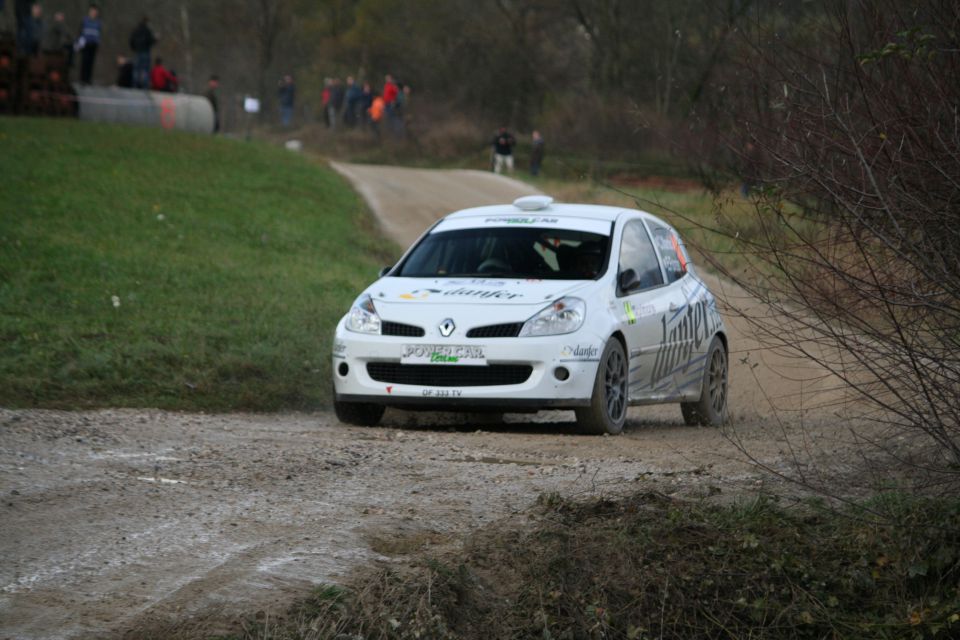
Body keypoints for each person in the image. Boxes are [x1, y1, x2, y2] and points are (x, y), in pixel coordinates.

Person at [128, 17, 156, 89]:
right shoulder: (148, 30)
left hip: (137, 52)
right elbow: (151, 41)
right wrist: (156, 40)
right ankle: (144, 85)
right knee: (145, 69)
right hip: (146, 52)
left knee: (136, 69)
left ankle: (135, 84)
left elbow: (131, 41)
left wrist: (134, 48)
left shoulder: (136, 30)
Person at [77, 4, 101, 85]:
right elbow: (81, 32)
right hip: (86, 44)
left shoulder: (98, 23)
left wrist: (98, 43)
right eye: (92, 11)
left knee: (91, 63)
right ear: (90, 12)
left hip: (93, 44)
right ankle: (82, 79)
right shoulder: (85, 21)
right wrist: (80, 43)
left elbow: (98, 34)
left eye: (95, 12)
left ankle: (88, 79)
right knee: (84, 62)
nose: (94, 13)